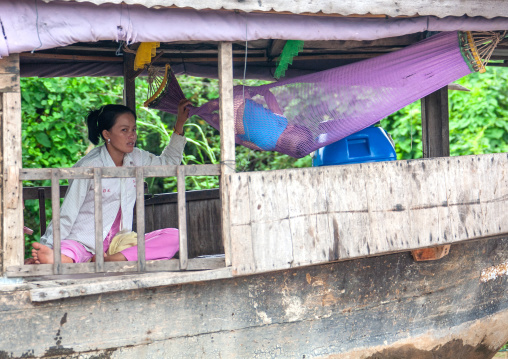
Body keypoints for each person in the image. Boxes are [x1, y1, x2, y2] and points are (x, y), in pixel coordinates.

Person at [31, 99, 191, 264]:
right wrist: (49, 246)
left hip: (119, 244)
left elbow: (169, 164)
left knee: (175, 236)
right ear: (107, 134)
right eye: (124, 130)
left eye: (134, 129)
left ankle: (111, 260)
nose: (132, 135)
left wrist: (179, 123)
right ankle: (59, 258)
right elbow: (67, 212)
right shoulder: (89, 166)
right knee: (69, 252)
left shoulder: (136, 157)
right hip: (84, 242)